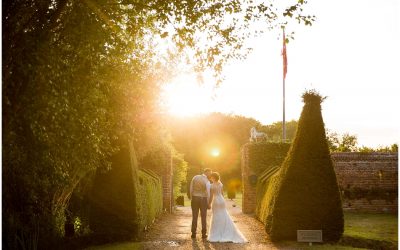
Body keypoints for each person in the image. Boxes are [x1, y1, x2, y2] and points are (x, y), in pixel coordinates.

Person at [207, 172, 247, 243]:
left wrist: (209, 204)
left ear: (214, 177)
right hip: (221, 200)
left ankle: (217, 232)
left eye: (211, 177)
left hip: (216, 200)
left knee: (216, 216)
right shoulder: (221, 184)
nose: (211, 178)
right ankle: (227, 230)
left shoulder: (211, 186)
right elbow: (222, 194)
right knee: (224, 215)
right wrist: (223, 201)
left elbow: (211, 196)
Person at [189, 168, 212, 239]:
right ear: (207, 172)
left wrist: (192, 198)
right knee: (203, 217)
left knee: (194, 216)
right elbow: (208, 193)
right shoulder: (207, 181)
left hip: (195, 197)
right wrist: (208, 203)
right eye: (210, 173)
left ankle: (193, 233)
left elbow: (191, 188)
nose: (210, 174)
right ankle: (203, 234)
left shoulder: (195, 177)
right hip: (203, 199)